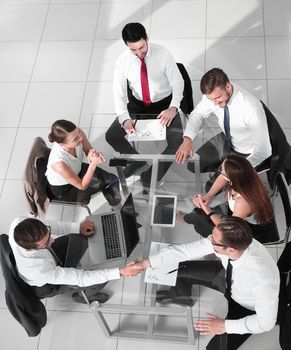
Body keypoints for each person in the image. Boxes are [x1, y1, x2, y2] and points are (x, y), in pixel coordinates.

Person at [131, 217, 280, 350]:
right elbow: (185, 251)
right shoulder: (234, 240)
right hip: (226, 277)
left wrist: (225, 326)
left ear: (230, 250)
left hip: (246, 306)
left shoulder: (263, 280)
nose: (209, 239)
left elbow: (266, 323)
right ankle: (180, 296)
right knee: (178, 268)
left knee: (214, 348)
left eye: (214, 241)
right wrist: (146, 263)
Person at [105, 22, 184, 191]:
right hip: (138, 104)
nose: (139, 53)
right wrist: (124, 118)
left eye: (141, 47)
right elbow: (118, 92)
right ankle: (135, 160)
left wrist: (173, 107)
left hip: (164, 104)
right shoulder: (122, 61)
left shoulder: (163, 54)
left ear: (147, 38)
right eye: (133, 50)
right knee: (112, 136)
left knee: (177, 142)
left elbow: (178, 82)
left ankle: (151, 176)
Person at [175, 68, 273, 190]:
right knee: (192, 165)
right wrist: (187, 139)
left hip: (245, 153)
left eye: (218, 98)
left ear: (228, 86)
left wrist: (232, 170)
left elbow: (264, 151)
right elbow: (197, 114)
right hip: (226, 139)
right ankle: (220, 169)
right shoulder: (213, 95)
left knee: (209, 188)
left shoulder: (251, 109)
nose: (214, 103)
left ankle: (227, 173)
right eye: (211, 99)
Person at [9, 217, 141, 304]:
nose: (53, 240)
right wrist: (121, 272)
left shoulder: (19, 223)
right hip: (46, 285)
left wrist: (78, 227)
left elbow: (51, 225)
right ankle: (83, 296)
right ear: (30, 250)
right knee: (100, 277)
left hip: (49, 258)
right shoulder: (38, 271)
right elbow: (80, 277)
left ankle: (62, 259)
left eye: (48, 234)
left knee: (80, 238)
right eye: (45, 243)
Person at [178, 154, 278, 243]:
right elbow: (223, 177)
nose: (220, 169)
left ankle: (186, 218)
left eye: (223, 169)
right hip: (240, 216)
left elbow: (230, 230)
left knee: (203, 220)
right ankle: (187, 217)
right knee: (204, 209)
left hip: (250, 230)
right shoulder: (245, 175)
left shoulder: (242, 202)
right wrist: (209, 195)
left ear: (233, 176)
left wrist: (207, 210)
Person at [46, 119, 121, 207]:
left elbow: (88, 150)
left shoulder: (77, 133)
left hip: (77, 170)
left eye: (78, 132)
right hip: (67, 189)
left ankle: (117, 207)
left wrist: (94, 154)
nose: (81, 138)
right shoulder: (58, 164)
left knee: (112, 180)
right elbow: (82, 186)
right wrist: (93, 164)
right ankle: (118, 209)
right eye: (76, 139)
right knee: (106, 183)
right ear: (62, 144)